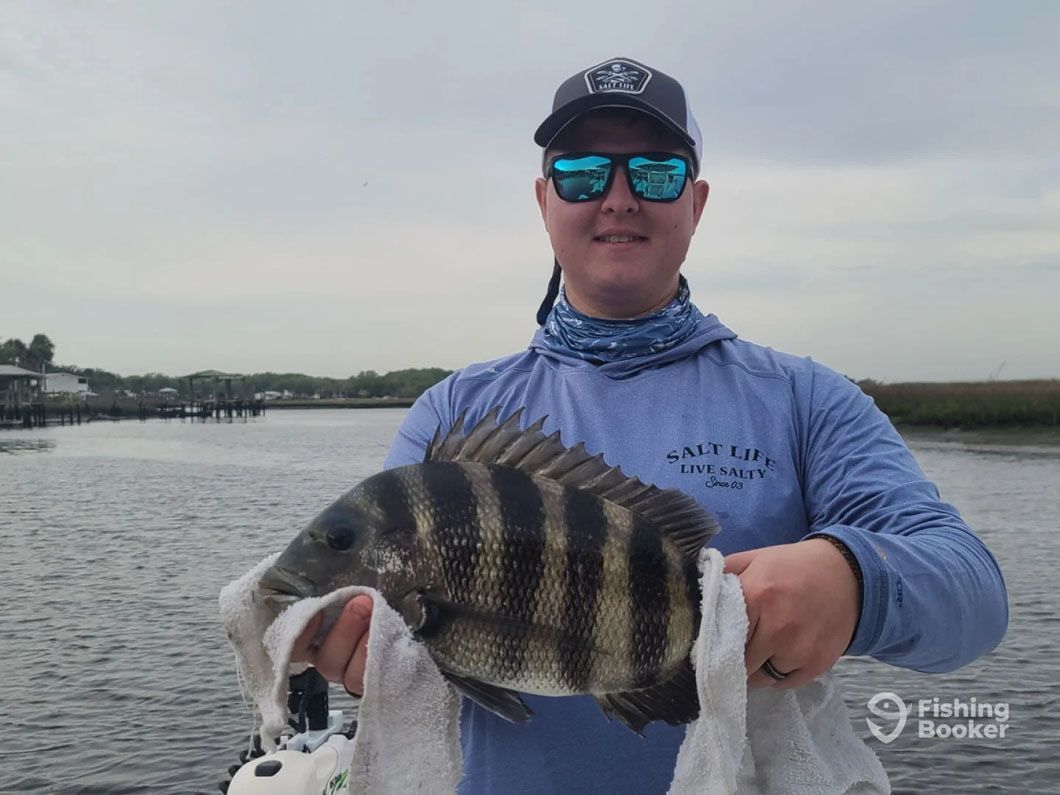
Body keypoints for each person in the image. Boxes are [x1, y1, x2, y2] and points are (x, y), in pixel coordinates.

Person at [294, 57, 1008, 792]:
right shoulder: (451, 413)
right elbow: (402, 639)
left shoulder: (805, 399)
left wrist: (852, 579)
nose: (618, 198)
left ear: (696, 201)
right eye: (581, 173)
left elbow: (975, 595)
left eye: (656, 173)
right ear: (543, 200)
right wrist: (364, 653)